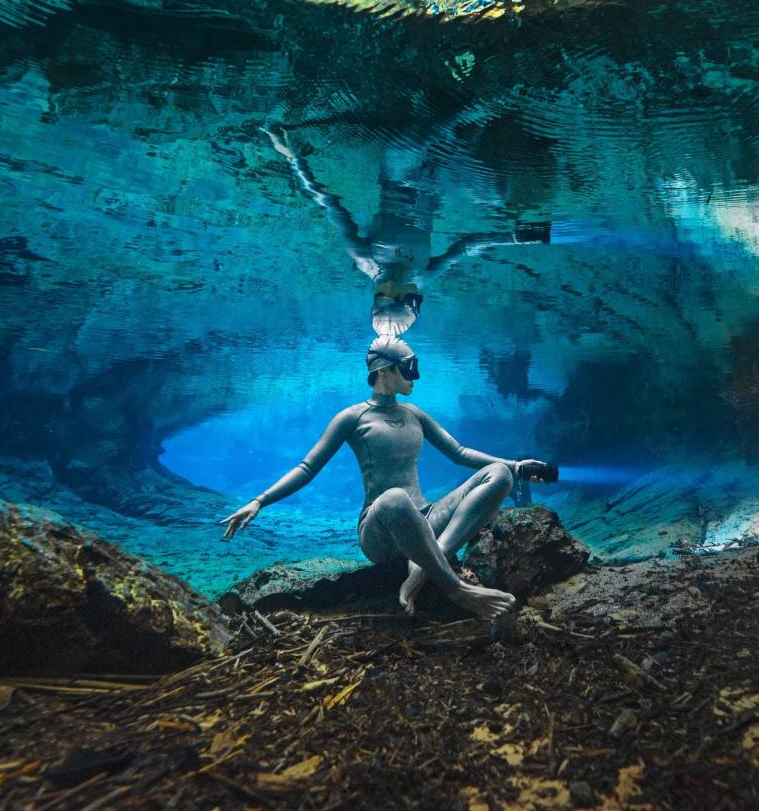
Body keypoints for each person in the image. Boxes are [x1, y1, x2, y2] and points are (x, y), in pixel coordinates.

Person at [220, 337, 554, 620]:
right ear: (384, 371)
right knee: (396, 497)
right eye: (408, 367)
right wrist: (259, 501)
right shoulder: (352, 417)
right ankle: (456, 588)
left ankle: (423, 567)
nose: (415, 376)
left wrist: (515, 465)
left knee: (497, 475)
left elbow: (460, 452)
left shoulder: (414, 414)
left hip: (425, 519)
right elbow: (307, 468)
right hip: (380, 529)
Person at [263, 126, 550, 335]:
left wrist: (295, 159)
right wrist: (517, 237)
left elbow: (328, 203)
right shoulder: (421, 277)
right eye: (417, 302)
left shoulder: (365, 257)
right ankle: (495, 130)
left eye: (412, 301)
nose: (419, 295)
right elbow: (465, 246)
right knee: (497, 192)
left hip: (397, 175)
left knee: (409, 146)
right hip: (435, 184)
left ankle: (459, 116)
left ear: (386, 295)